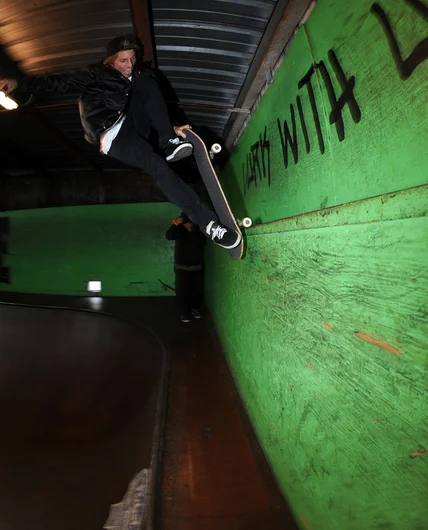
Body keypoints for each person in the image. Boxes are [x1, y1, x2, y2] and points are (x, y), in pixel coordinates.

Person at [0, 34, 240, 250]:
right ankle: (207, 223)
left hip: (138, 128)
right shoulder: (94, 76)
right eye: (123, 61)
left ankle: (169, 141)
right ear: (110, 60)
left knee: (145, 80)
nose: (129, 66)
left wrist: (170, 128)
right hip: (113, 135)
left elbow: (149, 106)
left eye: (132, 59)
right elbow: (56, 82)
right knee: (156, 166)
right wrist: (20, 83)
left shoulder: (136, 76)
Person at [166, 213, 205, 323]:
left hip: (196, 267)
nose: (189, 225)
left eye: (190, 222)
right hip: (181, 268)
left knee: (197, 291)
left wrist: (196, 228)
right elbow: (168, 236)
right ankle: (184, 313)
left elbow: (203, 241)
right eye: (186, 222)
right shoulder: (179, 231)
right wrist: (177, 224)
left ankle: (194, 309)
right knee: (182, 291)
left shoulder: (198, 230)